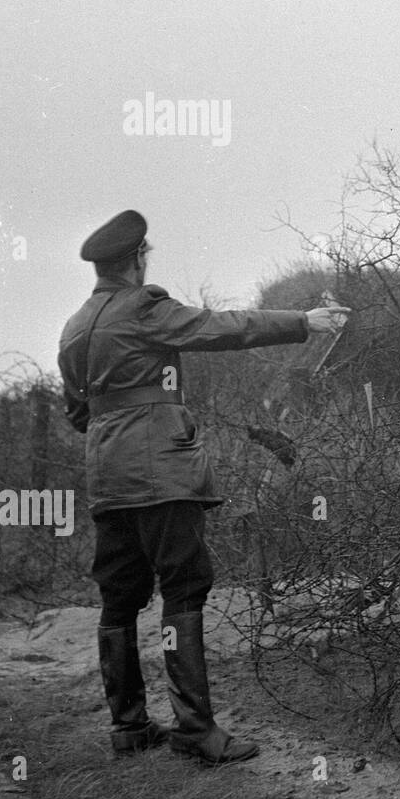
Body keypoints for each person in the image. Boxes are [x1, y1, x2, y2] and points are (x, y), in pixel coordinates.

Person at [57, 210, 349, 764]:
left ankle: (129, 728)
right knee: (184, 589)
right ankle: (194, 729)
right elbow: (220, 327)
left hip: (107, 480)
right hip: (161, 476)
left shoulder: (73, 327)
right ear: (138, 258)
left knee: (118, 599)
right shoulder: (143, 307)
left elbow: (79, 413)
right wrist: (305, 321)